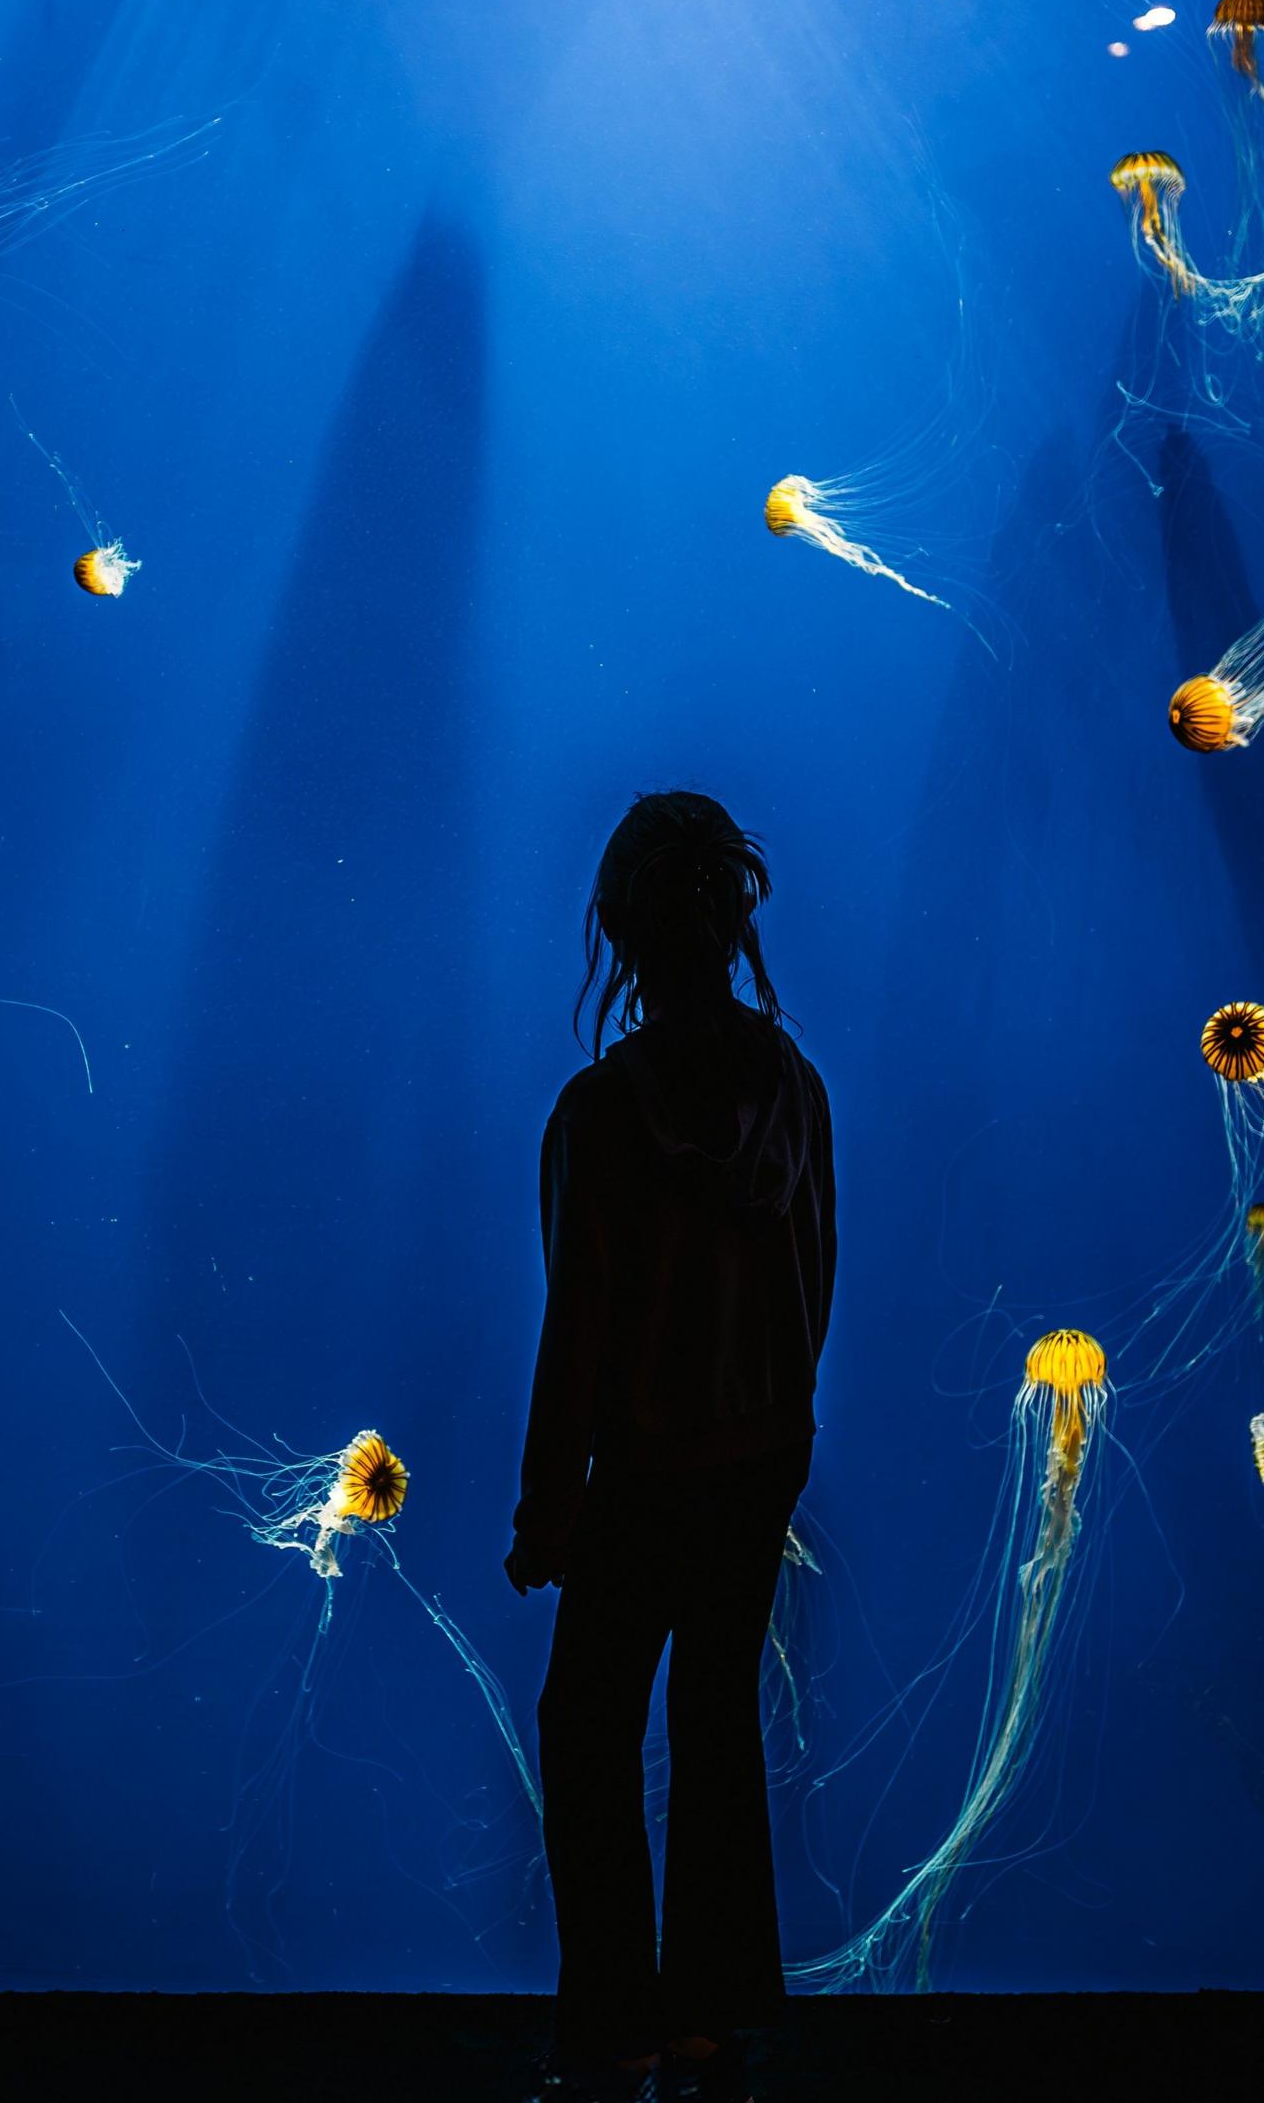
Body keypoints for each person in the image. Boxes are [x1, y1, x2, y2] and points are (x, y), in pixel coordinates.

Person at [509, 792, 838, 2099]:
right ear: (735, 917)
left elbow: (576, 1329)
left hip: (645, 1472)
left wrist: (549, 1505)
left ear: (624, 932)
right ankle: (712, 2020)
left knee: (585, 1725)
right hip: (758, 1455)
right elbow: (818, 1276)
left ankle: (614, 2026)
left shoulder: (600, 1114)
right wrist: (782, 1434)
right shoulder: (796, 1090)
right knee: (714, 1723)